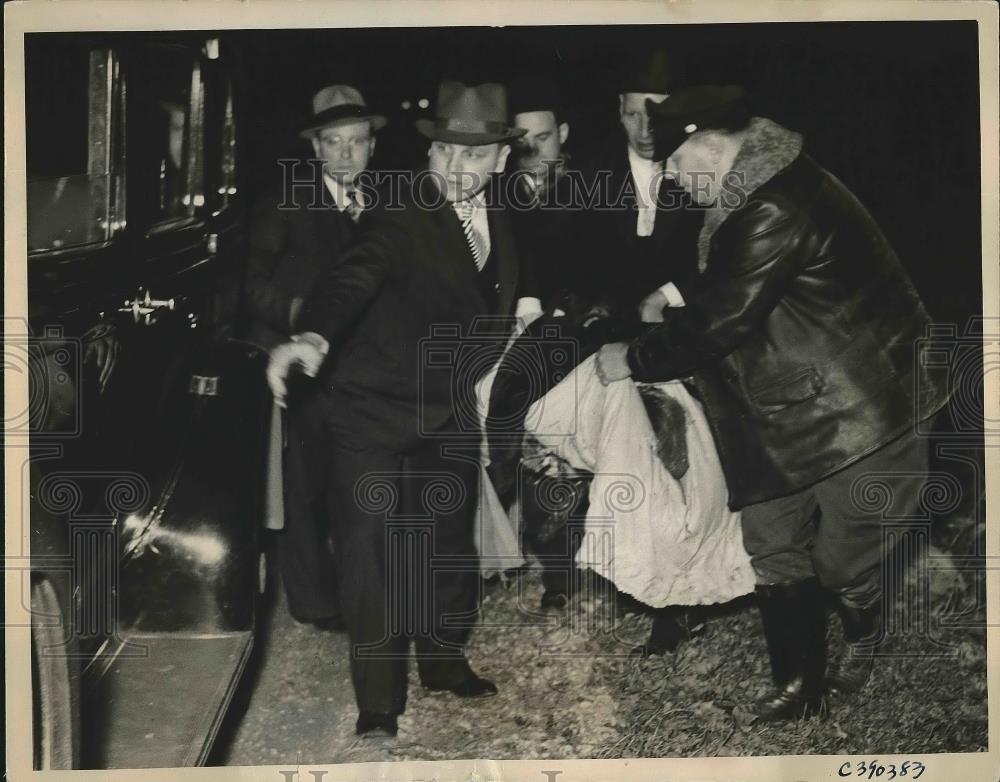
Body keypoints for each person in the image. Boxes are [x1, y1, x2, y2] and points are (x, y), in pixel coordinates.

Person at [595, 84, 951, 719]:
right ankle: (798, 686)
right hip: (784, 397)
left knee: (842, 562)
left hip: (867, 407)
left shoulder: (776, 204)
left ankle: (864, 626)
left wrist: (631, 357)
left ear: (708, 147)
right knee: (770, 538)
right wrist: (676, 296)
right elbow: (736, 285)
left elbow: (721, 319)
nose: (673, 181)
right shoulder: (755, 184)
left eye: (675, 165)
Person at [266, 81, 541, 738]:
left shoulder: (500, 213)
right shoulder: (399, 208)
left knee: (445, 546)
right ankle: (378, 706)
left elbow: (497, 297)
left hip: (447, 408)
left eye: (473, 157)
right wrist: (312, 336)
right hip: (369, 411)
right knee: (373, 558)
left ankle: (443, 662)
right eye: (445, 152)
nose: (455, 169)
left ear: (499, 161)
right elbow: (354, 272)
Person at [245, 84, 385, 632]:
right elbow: (248, 285)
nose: (347, 153)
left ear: (372, 147)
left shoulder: (390, 205)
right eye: (335, 142)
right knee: (302, 484)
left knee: (356, 480)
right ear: (316, 148)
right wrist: (302, 314)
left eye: (357, 141)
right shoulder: (283, 202)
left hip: (363, 365)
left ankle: (364, 588)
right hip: (301, 363)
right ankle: (314, 601)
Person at [577, 48, 704, 320]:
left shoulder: (704, 167)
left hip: (689, 319)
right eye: (633, 115)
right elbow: (561, 252)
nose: (645, 131)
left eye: (656, 116)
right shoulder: (588, 168)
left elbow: (726, 260)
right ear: (619, 110)